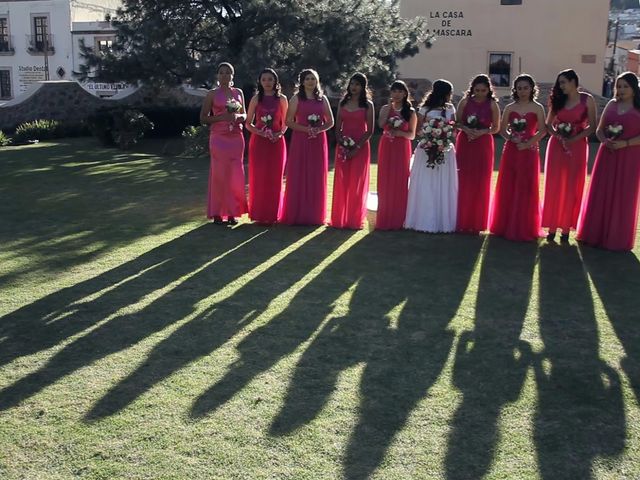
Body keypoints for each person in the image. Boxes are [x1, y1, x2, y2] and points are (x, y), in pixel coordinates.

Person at [577, 72, 640, 251]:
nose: (621, 89)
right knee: (602, 191)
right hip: (607, 154)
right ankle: (594, 233)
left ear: (634, 89)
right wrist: (605, 140)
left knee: (623, 195)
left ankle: (617, 238)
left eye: (625, 86)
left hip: (630, 157)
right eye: (618, 86)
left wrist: (625, 143)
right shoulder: (612, 104)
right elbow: (599, 129)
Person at [542, 69, 597, 242]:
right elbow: (548, 124)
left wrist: (574, 138)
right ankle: (551, 227)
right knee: (554, 184)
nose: (561, 86)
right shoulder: (558, 100)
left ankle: (566, 229)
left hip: (578, 147)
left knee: (573, 185)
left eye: (564, 82)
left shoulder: (587, 100)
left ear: (574, 81)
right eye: (560, 83)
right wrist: (558, 136)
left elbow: (592, 126)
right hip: (557, 146)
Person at [490, 74, 547, 241]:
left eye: (526, 88)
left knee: (526, 186)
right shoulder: (509, 107)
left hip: (529, 151)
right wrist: (511, 138)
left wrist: (529, 143)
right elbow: (502, 130)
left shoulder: (537, 108)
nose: (523, 91)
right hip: (512, 150)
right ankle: (505, 224)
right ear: (515, 90)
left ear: (531, 89)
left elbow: (542, 130)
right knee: (509, 184)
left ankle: (524, 226)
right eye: (520, 88)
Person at [279, 68, 334, 226]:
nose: (311, 81)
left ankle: (314, 214)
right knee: (299, 174)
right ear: (302, 81)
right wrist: (306, 129)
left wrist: (318, 129)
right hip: (301, 140)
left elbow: (330, 121)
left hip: (318, 141)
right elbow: (288, 121)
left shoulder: (322, 99)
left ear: (317, 81)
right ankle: (297, 212)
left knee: (315, 175)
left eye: (313, 79)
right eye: (308, 79)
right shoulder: (296, 99)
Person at [405, 79, 458, 233]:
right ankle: (423, 218)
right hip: (426, 148)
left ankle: (442, 220)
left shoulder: (450, 108)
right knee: (426, 183)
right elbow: (418, 130)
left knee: (442, 184)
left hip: (444, 149)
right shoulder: (425, 109)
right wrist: (431, 138)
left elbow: (453, 129)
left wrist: (443, 136)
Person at [200, 62, 247, 225]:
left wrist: (238, 117)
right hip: (219, 137)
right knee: (220, 174)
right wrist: (222, 117)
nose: (225, 75)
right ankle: (218, 213)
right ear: (217, 76)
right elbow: (203, 118)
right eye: (222, 73)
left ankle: (233, 212)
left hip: (236, 137)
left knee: (235, 174)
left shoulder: (238, 92)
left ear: (232, 76)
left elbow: (245, 114)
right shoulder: (212, 94)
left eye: (228, 73)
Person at [455, 74, 501, 234]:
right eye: (477, 90)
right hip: (465, 142)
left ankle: (477, 222)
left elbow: (496, 127)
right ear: (472, 89)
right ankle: (461, 220)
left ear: (489, 90)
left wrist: (482, 132)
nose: (480, 93)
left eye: (483, 90)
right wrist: (467, 129)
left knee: (481, 180)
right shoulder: (465, 102)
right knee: (463, 179)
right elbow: (457, 122)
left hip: (483, 144)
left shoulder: (492, 104)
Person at [330, 72, 374, 229]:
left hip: (360, 147)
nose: (354, 87)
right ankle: (338, 219)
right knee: (342, 181)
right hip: (343, 147)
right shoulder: (343, 103)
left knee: (356, 182)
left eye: (358, 84)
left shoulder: (368, 105)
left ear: (363, 87)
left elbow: (370, 130)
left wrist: (356, 147)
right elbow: (338, 126)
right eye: (352, 84)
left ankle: (353, 220)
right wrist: (341, 142)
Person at [245, 68, 288, 224]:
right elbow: (248, 123)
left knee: (275, 178)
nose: (267, 82)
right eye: (264, 79)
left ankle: (273, 215)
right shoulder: (256, 98)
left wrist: (280, 134)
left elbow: (286, 123)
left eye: (270, 79)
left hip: (277, 143)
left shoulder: (282, 99)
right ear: (260, 82)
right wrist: (261, 133)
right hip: (259, 143)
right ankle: (259, 214)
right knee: (259, 177)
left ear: (275, 81)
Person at [376, 80, 417, 230]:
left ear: (405, 93)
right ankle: (384, 217)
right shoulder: (385, 109)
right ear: (391, 93)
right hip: (386, 145)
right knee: (385, 179)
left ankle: (399, 218)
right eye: (394, 91)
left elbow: (412, 135)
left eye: (400, 91)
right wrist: (388, 108)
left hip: (401, 147)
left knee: (399, 180)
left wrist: (400, 132)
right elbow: (381, 125)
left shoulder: (410, 112)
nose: (397, 94)